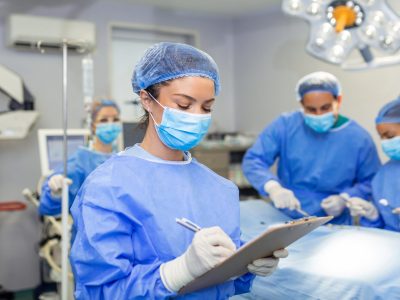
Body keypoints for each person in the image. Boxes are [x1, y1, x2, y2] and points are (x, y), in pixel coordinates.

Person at [69, 42, 288, 299]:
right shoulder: (109, 186)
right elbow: (101, 291)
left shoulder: (220, 188)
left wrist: (246, 267)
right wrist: (178, 271)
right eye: (184, 105)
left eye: (206, 107)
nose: (196, 116)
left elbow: (223, 281)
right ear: (147, 100)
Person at [242, 71, 381, 224]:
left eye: (325, 108)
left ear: (338, 100)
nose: (319, 114)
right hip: (286, 216)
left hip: (333, 222)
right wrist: (273, 187)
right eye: (311, 110)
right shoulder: (286, 126)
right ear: (302, 104)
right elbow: (253, 160)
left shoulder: (358, 138)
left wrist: (344, 198)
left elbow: (371, 180)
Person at [39, 99, 122, 216]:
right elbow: (48, 209)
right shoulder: (81, 161)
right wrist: (55, 193)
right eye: (103, 120)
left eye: (115, 119)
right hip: (90, 233)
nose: (110, 124)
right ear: (93, 126)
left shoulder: (122, 159)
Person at [347, 97, 400, 231]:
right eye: (381, 136)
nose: (384, 142)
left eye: (389, 136)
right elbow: (385, 229)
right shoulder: (386, 174)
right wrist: (373, 216)